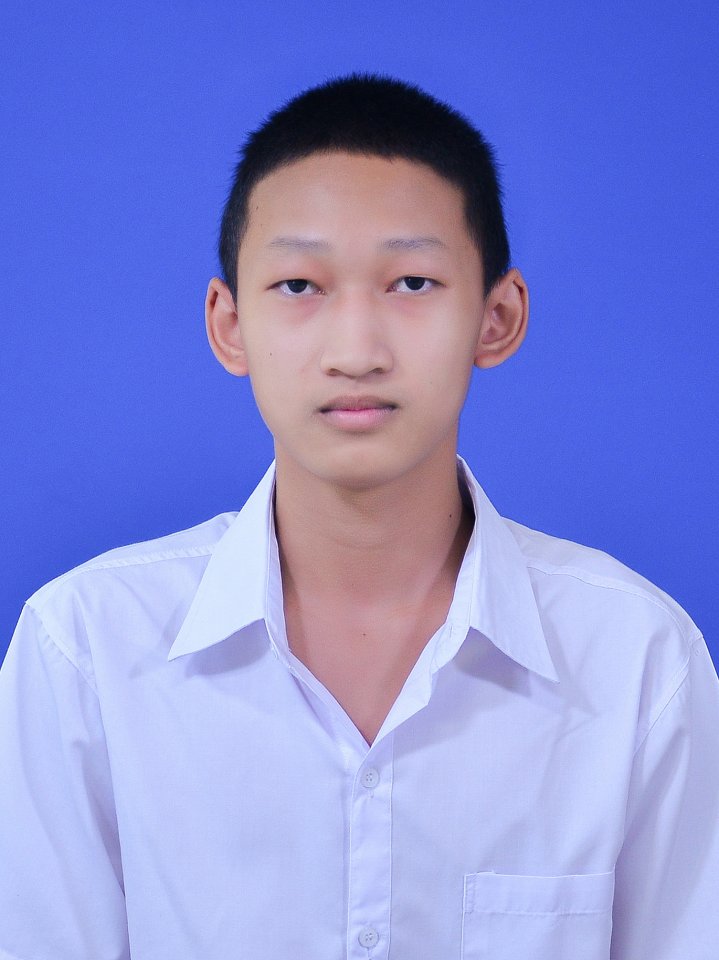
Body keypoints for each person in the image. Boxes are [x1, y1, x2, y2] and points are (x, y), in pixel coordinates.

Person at [1, 74, 717, 960]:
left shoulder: (635, 657)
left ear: (496, 318)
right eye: (299, 285)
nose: (355, 351)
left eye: (411, 282)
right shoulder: (86, 650)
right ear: (229, 325)